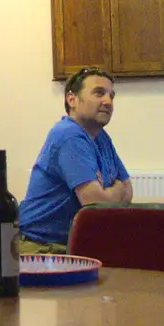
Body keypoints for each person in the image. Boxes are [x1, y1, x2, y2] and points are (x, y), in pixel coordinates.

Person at [17, 66, 134, 254]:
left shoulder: (101, 136)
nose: (108, 101)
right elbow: (95, 206)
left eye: (111, 96)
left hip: (70, 246)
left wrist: (109, 192)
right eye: (98, 93)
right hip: (40, 248)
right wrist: (116, 188)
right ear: (72, 99)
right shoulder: (69, 135)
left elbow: (129, 192)